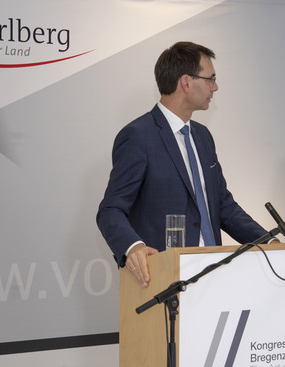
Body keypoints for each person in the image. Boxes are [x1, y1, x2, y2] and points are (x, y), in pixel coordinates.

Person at [97, 41, 274, 288]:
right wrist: (133, 246)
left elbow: (223, 205)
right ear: (186, 82)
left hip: (214, 274)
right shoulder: (139, 136)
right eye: (210, 79)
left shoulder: (203, 137)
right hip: (165, 280)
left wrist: (268, 241)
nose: (216, 87)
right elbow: (111, 210)